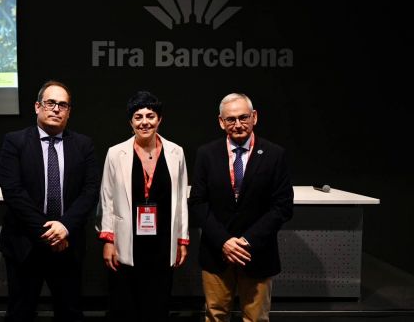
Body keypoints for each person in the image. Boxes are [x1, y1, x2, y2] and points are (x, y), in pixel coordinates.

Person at [0, 80, 100, 322]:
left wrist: (64, 227)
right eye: (50, 103)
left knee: (70, 313)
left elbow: (91, 190)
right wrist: (49, 232)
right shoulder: (15, 141)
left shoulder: (84, 145)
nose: (56, 109)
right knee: (20, 314)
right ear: (37, 107)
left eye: (62, 105)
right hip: (25, 244)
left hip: (68, 244)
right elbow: (13, 192)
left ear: (69, 111)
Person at [188, 93, 294, 322]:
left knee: (255, 318)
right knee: (215, 315)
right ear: (221, 122)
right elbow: (197, 202)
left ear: (254, 117)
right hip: (217, 252)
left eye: (243, 117)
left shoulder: (275, 154)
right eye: (231, 119)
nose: (237, 124)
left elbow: (282, 207)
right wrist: (224, 242)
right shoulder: (206, 154)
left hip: (256, 253)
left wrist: (247, 242)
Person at [97, 91, 189, 322]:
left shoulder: (176, 152)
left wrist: (181, 239)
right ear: (130, 122)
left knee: (157, 303)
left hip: (162, 240)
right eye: (138, 117)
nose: (145, 122)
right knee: (126, 304)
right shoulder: (116, 153)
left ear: (160, 120)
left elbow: (181, 201)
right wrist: (108, 241)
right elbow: (106, 198)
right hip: (127, 241)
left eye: (150, 116)